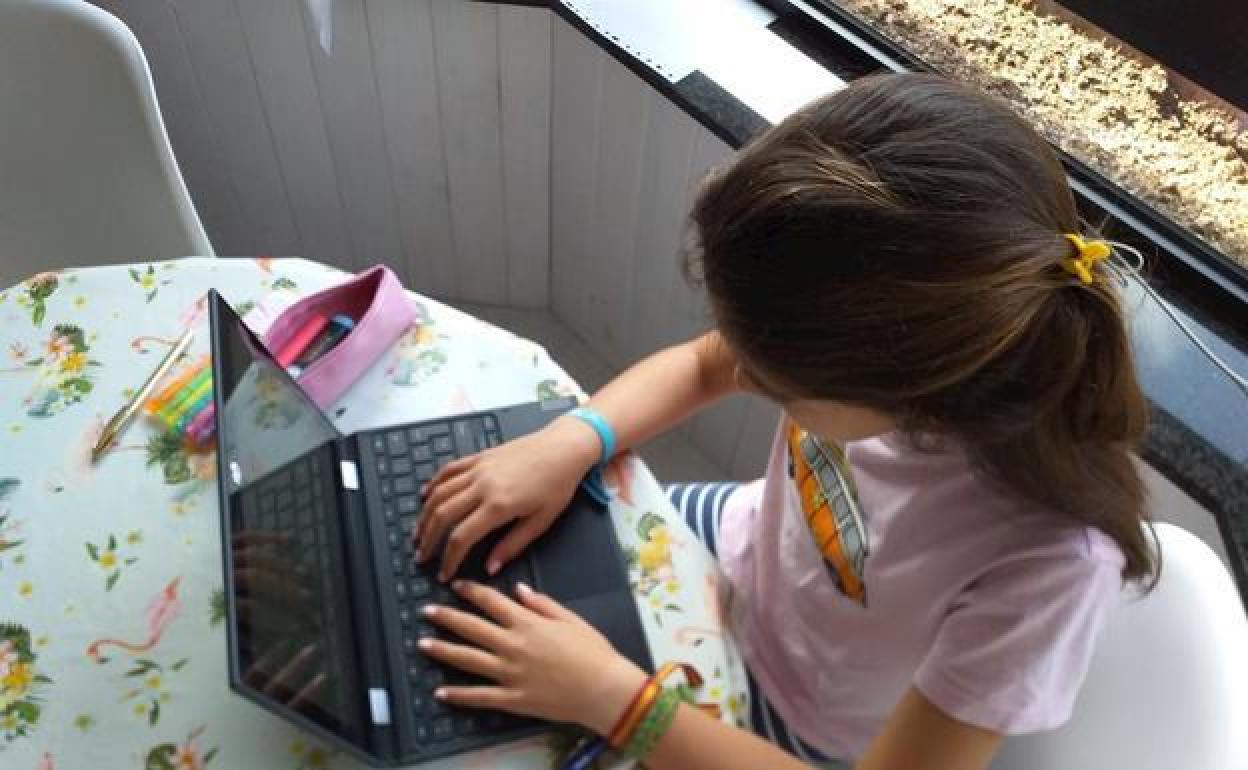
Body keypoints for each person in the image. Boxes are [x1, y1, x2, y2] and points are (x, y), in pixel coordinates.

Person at [409, 73, 1156, 770]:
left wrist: (613, 698)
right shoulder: (909, 352)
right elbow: (703, 365)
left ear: (900, 388)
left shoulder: (1049, 568)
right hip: (734, 539)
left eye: (775, 385)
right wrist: (573, 439)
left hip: (788, 721)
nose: (745, 377)